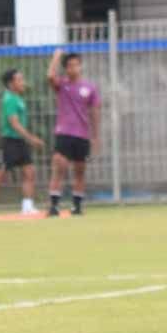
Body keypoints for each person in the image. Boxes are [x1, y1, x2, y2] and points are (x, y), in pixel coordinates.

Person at [0, 69, 45, 215]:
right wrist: (31, 138)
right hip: (11, 141)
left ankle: (27, 206)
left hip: (20, 141)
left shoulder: (18, 98)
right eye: (19, 80)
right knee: (2, 173)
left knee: (29, 172)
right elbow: (14, 123)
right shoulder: (10, 99)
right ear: (11, 83)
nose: (23, 82)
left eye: (22, 79)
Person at [46, 49, 100, 217]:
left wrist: (96, 136)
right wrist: (56, 57)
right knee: (59, 167)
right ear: (65, 68)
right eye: (69, 65)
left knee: (79, 171)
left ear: (80, 66)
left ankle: (77, 206)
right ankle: (54, 206)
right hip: (64, 133)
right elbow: (49, 77)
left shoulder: (89, 88)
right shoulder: (62, 85)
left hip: (82, 135)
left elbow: (95, 111)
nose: (73, 68)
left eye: (76, 65)